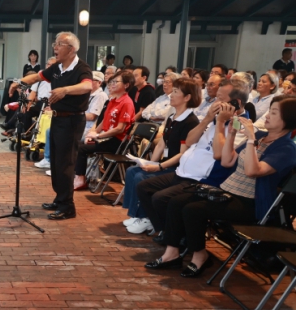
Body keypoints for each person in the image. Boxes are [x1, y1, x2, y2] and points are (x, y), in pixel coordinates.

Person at [147, 95, 296, 277]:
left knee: (193, 210)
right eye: (270, 111)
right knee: (176, 202)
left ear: (288, 119)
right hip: (228, 191)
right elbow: (227, 161)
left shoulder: (286, 148)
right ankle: (171, 254)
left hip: (250, 202)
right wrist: (232, 132)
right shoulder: (260, 136)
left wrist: (250, 140)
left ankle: (199, 256)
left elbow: (252, 171)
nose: (268, 115)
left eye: (274, 112)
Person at [135, 81, 251, 243]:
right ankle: (166, 231)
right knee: (144, 187)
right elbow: (189, 141)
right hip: (184, 171)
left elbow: (219, 154)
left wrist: (219, 122)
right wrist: (209, 118)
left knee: (161, 198)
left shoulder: (241, 126)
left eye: (219, 99)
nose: (215, 103)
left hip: (201, 178)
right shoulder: (215, 119)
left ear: (235, 103)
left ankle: (175, 237)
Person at [19, 32, 94, 220]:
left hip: (72, 121)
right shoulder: (57, 67)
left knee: (66, 164)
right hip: (58, 119)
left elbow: (87, 86)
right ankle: (60, 198)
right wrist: (18, 83)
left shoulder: (82, 68)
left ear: (71, 49)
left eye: (59, 44)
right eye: (56, 44)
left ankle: (68, 206)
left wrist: (65, 90)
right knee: (56, 162)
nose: (55, 48)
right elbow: (37, 77)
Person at [123, 77, 201, 235]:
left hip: (177, 169)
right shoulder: (173, 117)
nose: (171, 95)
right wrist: (149, 163)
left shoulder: (190, 122)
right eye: (172, 91)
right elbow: (162, 143)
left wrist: (158, 167)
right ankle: (136, 214)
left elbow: (183, 153)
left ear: (187, 97)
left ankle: (147, 218)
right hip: (166, 164)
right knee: (133, 171)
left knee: (141, 178)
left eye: (176, 92)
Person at [73, 71, 134, 191]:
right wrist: (93, 132)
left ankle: (80, 179)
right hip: (105, 137)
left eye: (115, 82)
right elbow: (104, 121)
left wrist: (98, 136)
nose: (111, 85)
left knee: (81, 148)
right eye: (110, 82)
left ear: (126, 85)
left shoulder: (127, 102)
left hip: (116, 141)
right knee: (78, 144)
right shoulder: (112, 101)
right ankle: (78, 176)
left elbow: (119, 129)